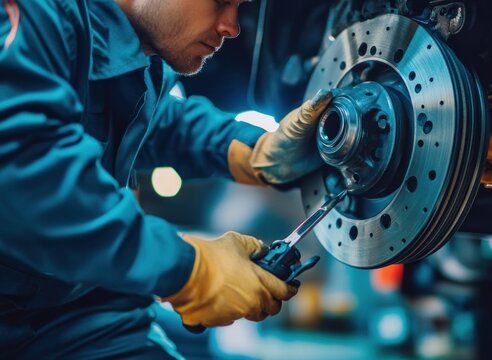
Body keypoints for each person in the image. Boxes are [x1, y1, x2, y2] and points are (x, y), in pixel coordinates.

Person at [0, 0, 331, 357]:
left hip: (78, 306)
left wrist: (253, 149)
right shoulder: (30, 12)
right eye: (221, 2)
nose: (232, 27)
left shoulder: (132, 50)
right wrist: (188, 269)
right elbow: (22, 172)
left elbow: (155, 123)